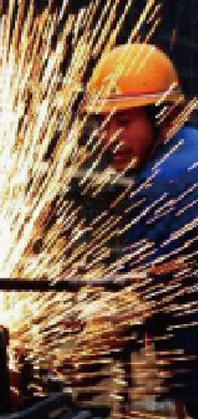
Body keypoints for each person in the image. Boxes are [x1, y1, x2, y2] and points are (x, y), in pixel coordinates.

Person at [83, 43, 198, 417]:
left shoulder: (165, 181)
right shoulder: (190, 148)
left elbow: (132, 299)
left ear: (164, 116)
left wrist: (70, 365)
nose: (109, 137)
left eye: (124, 122)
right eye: (103, 123)